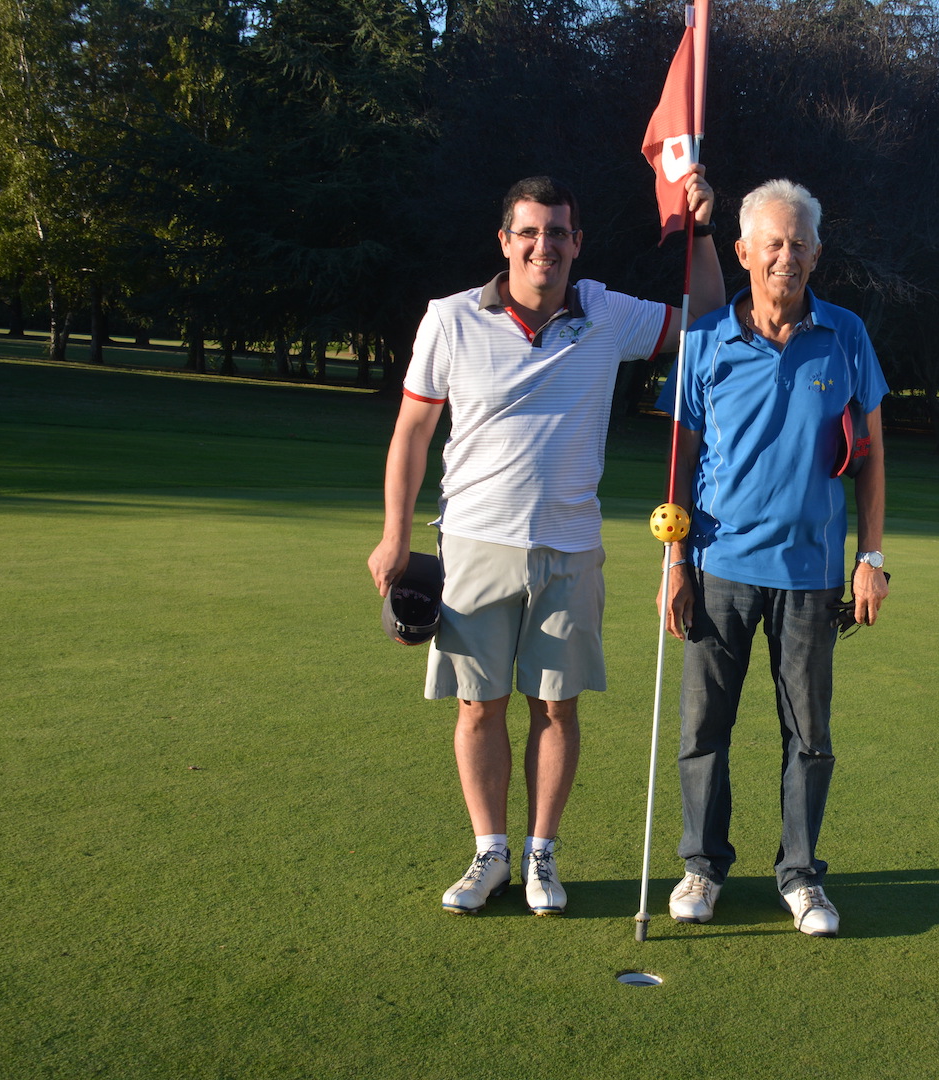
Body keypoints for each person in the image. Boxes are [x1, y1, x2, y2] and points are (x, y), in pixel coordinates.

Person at [368, 172, 724, 916]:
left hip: (570, 548)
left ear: (577, 243)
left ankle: (542, 858)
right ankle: (489, 852)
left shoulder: (604, 312)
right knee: (478, 708)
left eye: (557, 232)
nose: (544, 246)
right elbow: (411, 432)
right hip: (473, 543)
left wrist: (702, 229)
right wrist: (395, 534)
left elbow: (709, 315)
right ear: (505, 242)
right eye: (529, 233)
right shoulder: (451, 318)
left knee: (557, 708)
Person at [656, 179, 890, 937]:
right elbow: (680, 462)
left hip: (815, 574)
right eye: (774, 242)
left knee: (810, 736)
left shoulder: (846, 334)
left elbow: (874, 457)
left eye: (800, 244)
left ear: (817, 253)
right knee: (703, 730)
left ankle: (800, 876)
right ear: (744, 250)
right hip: (720, 566)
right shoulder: (703, 343)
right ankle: (702, 866)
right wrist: (676, 563)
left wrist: (871, 557)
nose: (787, 256)